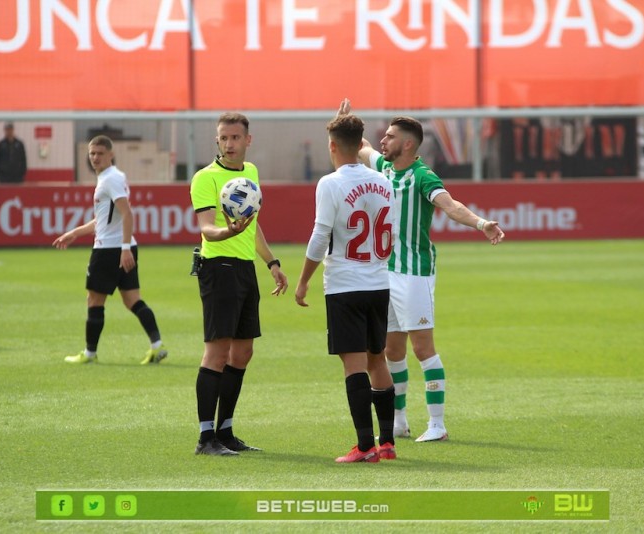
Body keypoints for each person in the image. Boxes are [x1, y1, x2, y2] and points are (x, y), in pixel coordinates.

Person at [341, 99, 505, 443]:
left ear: (408, 144)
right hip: (385, 273)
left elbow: (451, 205)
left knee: (423, 349)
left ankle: (437, 424)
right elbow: (362, 148)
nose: (382, 141)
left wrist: (480, 223)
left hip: (414, 274)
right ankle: (399, 420)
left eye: (390, 137)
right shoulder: (383, 166)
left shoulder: (423, 176)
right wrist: (343, 122)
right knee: (392, 351)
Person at [294, 112, 397, 463]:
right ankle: (387, 442)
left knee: (353, 365)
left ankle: (365, 446)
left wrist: (304, 280)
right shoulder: (383, 181)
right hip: (378, 282)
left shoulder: (330, 183)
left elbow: (320, 234)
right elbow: (391, 234)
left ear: (333, 146)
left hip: (345, 286)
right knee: (377, 360)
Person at [189, 112, 288, 456]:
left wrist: (271, 262)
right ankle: (205, 438)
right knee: (217, 353)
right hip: (218, 268)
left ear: (248, 140)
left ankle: (226, 432)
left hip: (244, 269)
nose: (229, 144)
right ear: (216, 140)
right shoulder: (205, 178)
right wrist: (226, 231)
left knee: (243, 353)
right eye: (223, 138)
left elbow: (254, 224)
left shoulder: (251, 173)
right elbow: (206, 228)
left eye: (235, 137)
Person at [53, 135, 167, 365]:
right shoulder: (115, 177)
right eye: (92, 153)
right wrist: (74, 233)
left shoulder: (109, 180)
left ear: (111, 154)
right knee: (133, 300)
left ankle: (90, 353)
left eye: (100, 153)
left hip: (109, 250)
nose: (95, 158)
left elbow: (127, 213)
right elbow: (104, 219)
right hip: (123, 247)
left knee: (94, 301)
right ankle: (157, 346)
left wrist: (124, 248)